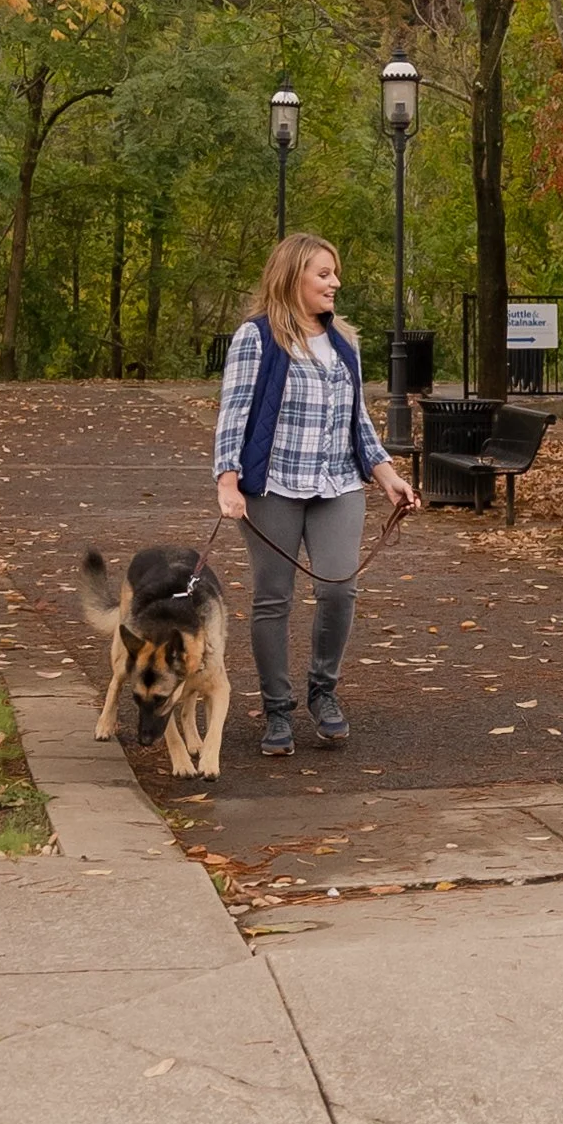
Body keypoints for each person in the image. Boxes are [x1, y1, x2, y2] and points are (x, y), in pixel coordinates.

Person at [214, 233, 417, 757]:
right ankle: (277, 710)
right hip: (273, 486)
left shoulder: (343, 343)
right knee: (273, 598)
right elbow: (233, 415)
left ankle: (323, 693)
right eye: (324, 274)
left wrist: (388, 476)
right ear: (293, 277)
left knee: (338, 589)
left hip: (338, 485)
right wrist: (227, 481)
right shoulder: (256, 338)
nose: (335, 283)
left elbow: (359, 422)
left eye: (335, 273)